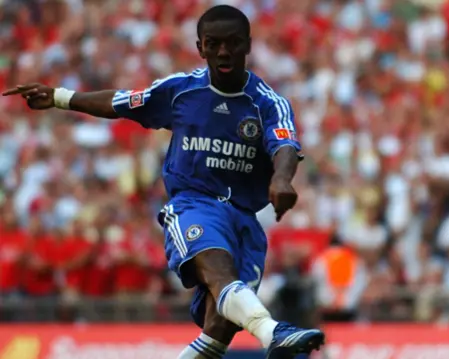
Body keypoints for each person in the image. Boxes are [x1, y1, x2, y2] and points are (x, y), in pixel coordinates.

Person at [2, 5, 324, 359]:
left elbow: (285, 145)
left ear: (247, 44)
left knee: (221, 325)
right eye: (213, 43)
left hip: (245, 218)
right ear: (200, 47)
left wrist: (281, 179)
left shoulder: (267, 103)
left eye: (232, 43)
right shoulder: (181, 91)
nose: (222, 52)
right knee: (219, 272)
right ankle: (273, 332)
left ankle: (263, 331)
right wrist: (61, 97)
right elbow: (120, 102)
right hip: (194, 203)